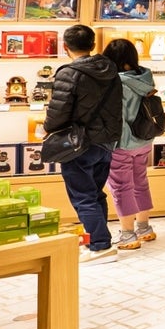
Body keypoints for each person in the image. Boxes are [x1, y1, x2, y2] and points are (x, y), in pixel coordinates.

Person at [45, 24, 122, 263]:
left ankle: (100, 246)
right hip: (106, 142)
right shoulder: (110, 69)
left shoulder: (68, 73)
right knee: (95, 194)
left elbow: (58, 112)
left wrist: (48, 128)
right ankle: (100, 242)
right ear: (93, 44)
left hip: (79, 143)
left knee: (83, 196)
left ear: (65, 46)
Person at [103, 38, 157, 251]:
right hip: (144, 140)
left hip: (121, 143)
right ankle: (144, 228)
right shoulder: (145, 77)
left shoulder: (115, 82)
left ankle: (127, 235)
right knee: (140, 182)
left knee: (121, 186)